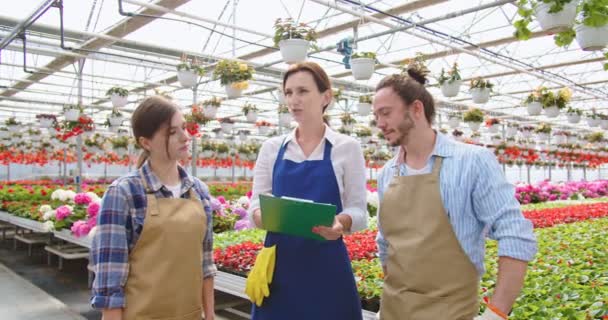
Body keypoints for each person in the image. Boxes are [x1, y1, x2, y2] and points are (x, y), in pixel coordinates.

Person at [372, 68, 537, 320]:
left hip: (451, 311)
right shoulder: (387, 173)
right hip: (394, 310)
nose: (379, 123)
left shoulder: (472, 162)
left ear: (417, 109)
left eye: (386, 113)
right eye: (376, 116)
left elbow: (515, 234)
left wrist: (496, 313)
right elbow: (386, 244)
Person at [246, 61, 368, 320]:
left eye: (302, 91)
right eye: (288, 92)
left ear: (326, 97)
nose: (293, 100)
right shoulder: (272, 148)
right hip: (278, 268)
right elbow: (256, 204)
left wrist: (340, 222)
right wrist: (262, 215)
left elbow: (358, 209)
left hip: (327, 266)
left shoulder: (347, 147)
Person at [90, 96, 216, 320]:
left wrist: (210, 314)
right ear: (146, 142)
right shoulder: (124, 193)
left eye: (184, 128)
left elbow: (206, 265)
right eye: (172, 132)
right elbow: (110, 282)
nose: (185, 137)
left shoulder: (199, 191)